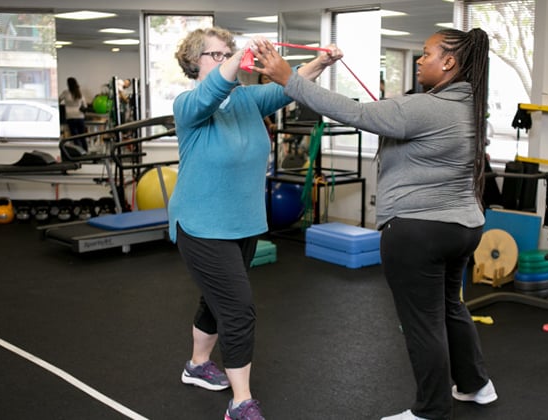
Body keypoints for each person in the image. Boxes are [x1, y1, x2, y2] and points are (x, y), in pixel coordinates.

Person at [254, 28, 497, 420]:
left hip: (419, 231)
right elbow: (388, 120)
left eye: (426, 53)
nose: (420, 60)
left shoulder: (428, 106)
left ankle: (432, 409)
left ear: (449, 62)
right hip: (462, 228)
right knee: (450, 307)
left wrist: (289, 78)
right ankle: (476, 384)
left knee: (423, 321)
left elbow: (358, 114)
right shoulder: (466, 103)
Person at [169, 27, 341, 420]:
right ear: (196, 62)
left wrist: (321, 62)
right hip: (200, 223)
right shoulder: (189, 104)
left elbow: (288, 87)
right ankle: (240, 401)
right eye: (217, 54)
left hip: (242, 223)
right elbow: (212, 91)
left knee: (216, 299)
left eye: (227, 52)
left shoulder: (246, 100)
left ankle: (197, 365)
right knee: (238, 308)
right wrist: (239, 55)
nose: (227, 57)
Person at [59, 77, 87, 151]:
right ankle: (85, 151)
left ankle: (79, 151)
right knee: (83, 136)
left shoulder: (65, 93)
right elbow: (85, 105)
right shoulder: (79, 93)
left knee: (75, 137)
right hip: (80, 116)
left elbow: (58, 100)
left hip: (70, 117)